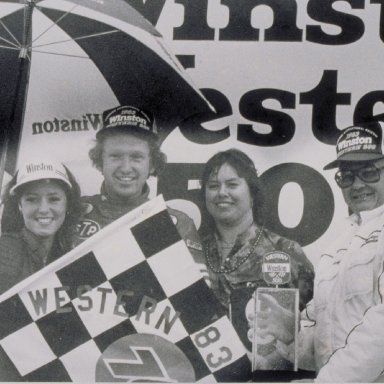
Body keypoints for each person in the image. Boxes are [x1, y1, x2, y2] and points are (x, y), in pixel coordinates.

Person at [252, 120, 384, 382]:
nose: (356, 185)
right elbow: (323, 346)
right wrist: (289, 333)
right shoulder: (337, 248)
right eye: (347, 176)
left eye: (369, 172)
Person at [199, 148, 315, 380]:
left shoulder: (286, 251)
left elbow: (315, 332)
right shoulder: (192, 252)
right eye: (213, 186)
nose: (222, 192)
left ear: (252, 193)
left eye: (232, 184)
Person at [72, 105, 205, 268]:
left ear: (152, 165)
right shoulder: (72, 213)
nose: (126, 167)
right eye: (115, 156)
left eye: (136, 157)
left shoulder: (178, 224)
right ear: (100, 163)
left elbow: (195, 290)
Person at [0, 159, 82, 294]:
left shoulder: (70, 249)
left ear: (68, 204)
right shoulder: (5, 250)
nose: (43, 209)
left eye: (54, 199)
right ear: (20, 206)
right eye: (32, 199)